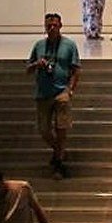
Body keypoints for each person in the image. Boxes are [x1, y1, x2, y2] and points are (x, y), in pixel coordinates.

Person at [26, 13, 81, 177]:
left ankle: (59, 163)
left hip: (61, 92)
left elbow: (76, 69)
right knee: (44, 130)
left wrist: (70, 89)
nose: (51, 28)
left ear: (60, 26)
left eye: (54, 25)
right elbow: (28, 69)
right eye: (48, 26)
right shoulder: (39, 46)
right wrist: (37, 64)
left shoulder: (69, 45)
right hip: (43, 93)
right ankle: (59, 151)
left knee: (61, 128)